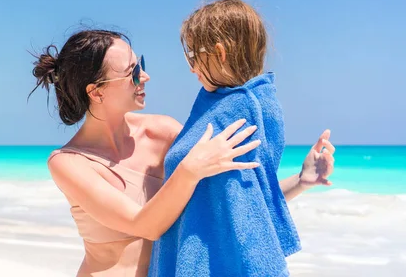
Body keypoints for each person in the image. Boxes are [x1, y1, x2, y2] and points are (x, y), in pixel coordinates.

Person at [30, 29, 334, 277]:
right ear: (97, 91)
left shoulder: (162, 132)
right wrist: (189, 171)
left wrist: (301, 181)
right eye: (132, 73)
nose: (144, 77)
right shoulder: (69, 163)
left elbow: (231, 200)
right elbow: (144, 224)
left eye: (141, 65)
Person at [149, 0, 332, 277]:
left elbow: (239, 207)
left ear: (219, 52)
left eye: (193, 56)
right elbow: (234, 201)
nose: (191, 67)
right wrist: (301, 180)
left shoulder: (240, 109)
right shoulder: (232, 105)